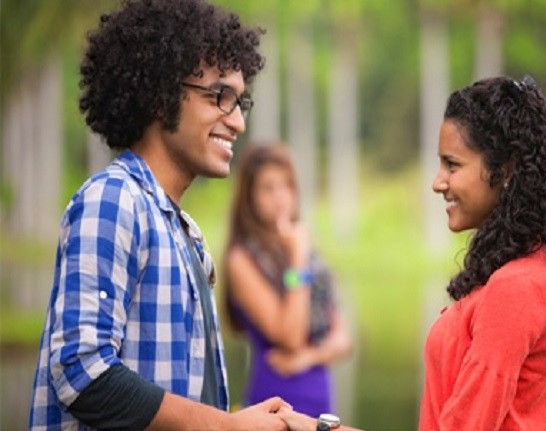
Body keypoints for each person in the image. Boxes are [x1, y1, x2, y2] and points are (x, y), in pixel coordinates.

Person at [28, 1, 290, 429]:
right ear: (160, 94)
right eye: (220, 96)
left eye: (241, 102)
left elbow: (190, 403)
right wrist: (226, 426)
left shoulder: (188, 235)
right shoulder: (112, 201)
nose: (238, 122)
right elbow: (82, 372)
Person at [419, 75, 546, 430]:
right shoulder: (527, 270)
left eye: (452, 164)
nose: (438, 182)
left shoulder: (519, 286)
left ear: (505, 169)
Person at [223, 143, 352, 417]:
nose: (280, 197)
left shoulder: (305, 252)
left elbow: (342, 339)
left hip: (320, 402)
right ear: (249, 197)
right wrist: (297, 258)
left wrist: (309, 357)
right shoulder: (243, 259)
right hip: (275, 403)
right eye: (268, 188)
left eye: (287, 186)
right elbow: (291, 336)